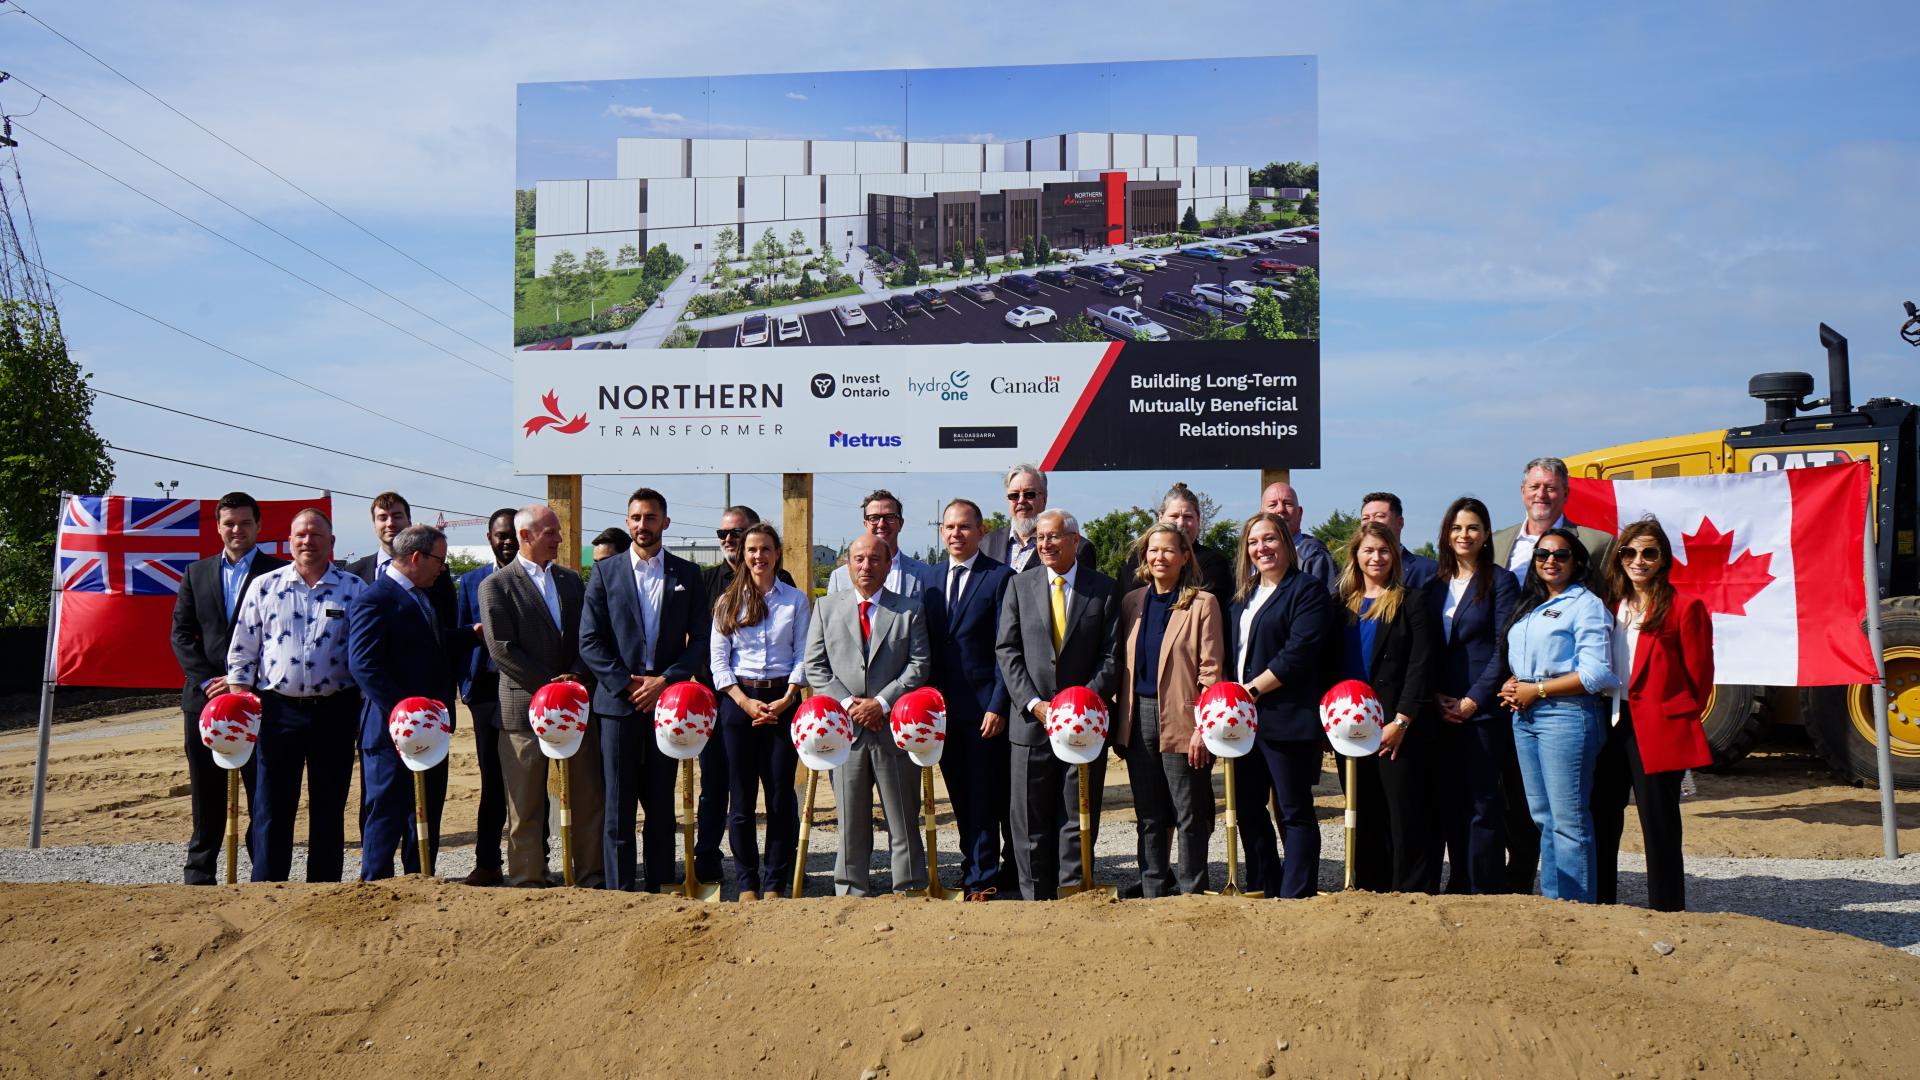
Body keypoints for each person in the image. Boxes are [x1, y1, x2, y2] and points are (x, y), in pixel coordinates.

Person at [579, 488, 711, 892]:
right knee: (617, 805)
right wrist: (624, 683)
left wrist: (665, 681)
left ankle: (658, 889)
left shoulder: (688, 574)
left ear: (665, 523)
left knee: (659, 804)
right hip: (617, 705)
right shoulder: (605, 572)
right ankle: (620, 893)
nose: (642, 525)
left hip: (666, 704)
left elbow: (703, 640)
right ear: (627, 521)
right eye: (635, 517)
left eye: (650, 517)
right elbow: (589, 641)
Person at [1489, 457, 1611, 893]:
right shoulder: (1530, 601)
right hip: (1524, 715)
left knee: (1569, 821)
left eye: (1560, 554)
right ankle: (1555, 903)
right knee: (1542, 818)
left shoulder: (1587, 602)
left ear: (1577, 561)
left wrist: (1536, 689)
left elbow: (1597, 672)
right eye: (1542, 555)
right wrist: (1511, 682)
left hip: (1565, 714)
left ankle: (1575, 908)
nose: (1550, 560)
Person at [225, 508, 364, 882]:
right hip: (276, 712)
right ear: (289, 541)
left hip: (334, 712)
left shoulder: (353, 589)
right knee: (271, 805)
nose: (307, 541)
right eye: (300, 534)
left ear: (331, 542)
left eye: (316, 535)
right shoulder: (264, 587)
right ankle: (268, 886)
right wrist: (238, 699)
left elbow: (366, 653)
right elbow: (242, 651)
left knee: (329, 804)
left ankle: (323, 888)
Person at [994, 509, 1123, 900]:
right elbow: (1007, 649)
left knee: (1077, 813)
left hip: (1084, 725)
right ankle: (1034, 895)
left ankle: (1073, 892)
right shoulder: (1019, 586)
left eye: (1053, 537)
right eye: (1039, 538)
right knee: (1029, 817)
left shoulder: (1103, 589)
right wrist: (1033, 704)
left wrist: (1082, 704)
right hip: (1031, 723)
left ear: (1075, 540)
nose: (1044, 544)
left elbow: (1112, 655)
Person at [478, 503, 604, 889]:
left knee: (587, 798)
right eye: (551, 532)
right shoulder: (496, 586)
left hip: (574, 711)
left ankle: (590, 877)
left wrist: (577, 678)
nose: (560, 539)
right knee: (525, 805)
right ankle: (527, 880)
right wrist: (551, 688)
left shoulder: (569, 581)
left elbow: (588, 636)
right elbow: (501, 649)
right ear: (525, 536)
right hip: (522, 714)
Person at [1593, 519, 1714, 912]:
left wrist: (1672, 716)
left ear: (1663, 559)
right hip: (1610, 721)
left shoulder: (1685, 607)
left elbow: (1700, 677)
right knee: (1603, 817)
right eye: (1629, 552)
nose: (1638, 561)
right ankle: (1602, 901)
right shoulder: (1608, 604)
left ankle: (1667, 907)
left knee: (1658, 821)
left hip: (1657, 726)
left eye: (1649, 553)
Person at [804, 533, 933, 895]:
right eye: (859, 559)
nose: (866, 566)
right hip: (846, 733)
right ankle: (850, 887)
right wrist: (851, 706)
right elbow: (815, 667)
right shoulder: (826, 609)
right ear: (847, 565)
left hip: (893, 728)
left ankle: (909, 885)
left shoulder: (909, 610)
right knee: (850, 818)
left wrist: (882, 703)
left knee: (903, 817)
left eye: (875, 559)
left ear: (889, 565)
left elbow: (919, 665)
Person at [170, 491, 284, 885]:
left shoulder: (279, 574)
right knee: (207, 791)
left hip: (259, 699)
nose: (237, 530)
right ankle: (199, 872)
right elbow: (182, 635)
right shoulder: (195, 574)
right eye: (229, 523)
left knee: (261, 791)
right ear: (218, 527)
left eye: (245, 523)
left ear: (258, 526)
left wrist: (242, 680)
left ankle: (263, 873)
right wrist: (208, 681)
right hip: (204, 700)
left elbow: (283, 638)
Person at [1229, 511, 1339, 899]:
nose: (1262, 548)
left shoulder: (1307, 590)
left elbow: (1299, 652)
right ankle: (1264, 884)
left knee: (1293, 811)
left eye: (1270, 539)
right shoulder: (1243, 595)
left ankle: (1296, 892)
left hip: (1286, 718)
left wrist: (1252, 691)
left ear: (1287, 544)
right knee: (1247, 809)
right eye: (1254, 542)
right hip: (1242, 724)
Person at [1114, 523, 1225, 896]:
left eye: (1168, 551)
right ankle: (1152, 887)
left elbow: (1211, 671)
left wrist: (1202, 728)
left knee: (1189, 811)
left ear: (1184, 557)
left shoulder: (1202, 603)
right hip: (1138, 715)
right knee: (1148, 812)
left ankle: (1192, 889)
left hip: (1184, 717)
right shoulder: (1132, 602)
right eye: (1153, 550)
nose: (1159, 557)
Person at [346, 524, 459, 879]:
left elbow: (429, 646)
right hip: (391, 729)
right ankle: (375, 886)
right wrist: (404, 710)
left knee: (424, 810)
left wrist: (469, 637)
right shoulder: (376, 598)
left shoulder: (424, 595)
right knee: (386, 810)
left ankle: (421, 879)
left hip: (431, 728)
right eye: (439, 560)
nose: (442, 568)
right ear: (416, 557)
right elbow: (363, 664)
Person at [1338, 522, 1441, 893]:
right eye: (1368, 550)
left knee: (1403, 813)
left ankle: (1411, 891)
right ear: (1356, 556)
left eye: (1383, 551)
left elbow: (1420, 664)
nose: (1376, 557)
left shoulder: (1411, 600)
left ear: (1394, 556)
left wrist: (1402, 720)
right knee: (1363, 811)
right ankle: (1370, 886)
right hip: (1351, 724)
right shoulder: (1342, 604)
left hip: (1396, 724)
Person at [708, 523, 809, 900]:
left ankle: (774, 883)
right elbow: (719, 662)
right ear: (742, 554)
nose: (758, 556)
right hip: (739, 704)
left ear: (777, 552)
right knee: (742, 796)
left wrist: (788, 698)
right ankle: (747, 881)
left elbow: (803, 654)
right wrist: (743, 701)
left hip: (784, 701)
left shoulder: (796, 601)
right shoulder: (727, 602)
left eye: (765, 549)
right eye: (752, 549)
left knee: (781, 795)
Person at [1424, 497, 1519, 895]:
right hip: (1439, 709)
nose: (1465, 535)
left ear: (1485, 535)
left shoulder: (1500, 582)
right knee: (1448, 801)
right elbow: (1424, 648)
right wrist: (1435, 697)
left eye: (1473, 528)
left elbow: (1504, 648)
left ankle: (1486, 885)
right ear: (1447, 534)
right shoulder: (1431, 585)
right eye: (1457, 528)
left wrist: (1472, 700)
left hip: (1481, 711)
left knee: (1482, 801)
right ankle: (1459, 878)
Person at [922, 498, 1015, 901]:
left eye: (964, 527)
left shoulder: (1000, 577)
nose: (956, 534)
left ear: (980, 532)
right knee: (958, 793)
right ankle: (970, 865)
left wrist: (998, 704)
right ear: (941, 533)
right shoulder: (930, 579)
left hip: (982, 709)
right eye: (949, 527)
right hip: (941, 711)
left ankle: (984, 876)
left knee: (983, 794)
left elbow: (1005, 648)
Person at [454, 508, 517, 886]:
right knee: (492, 781)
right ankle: (488, 862)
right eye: (500, 535)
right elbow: (460, 636)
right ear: (489, 538)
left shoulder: (534, 579)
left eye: (512, 534)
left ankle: (534, 859)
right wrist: (466, 685)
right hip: (486, 694)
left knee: (530, 779)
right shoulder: (470, 582)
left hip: (526, 692)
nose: (506, 540)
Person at [1117, 482, 1236, 614]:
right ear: (1160, 517)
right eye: (1174, 516)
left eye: (1188, 517)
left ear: (1198, 519)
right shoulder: (1136, 562)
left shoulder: (1214, 563)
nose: (1180, 523)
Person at [983, 464, 1097, 575]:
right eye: (1014, 495)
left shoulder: (1077, 547)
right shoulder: (986, 543)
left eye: (1029, 494)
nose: (1021, 500)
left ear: (1044, 499)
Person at [827, 489, 940, 595]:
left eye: (889, 517)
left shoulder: (925, 574)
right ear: (865, 524)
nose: (881, 524)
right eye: (874, 518)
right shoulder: (840, 577)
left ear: (900, 524)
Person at [1260, 480, 1336, 593]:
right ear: (1261, 515)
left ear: (1299, 513)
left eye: (1288, 504)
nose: (1280, 509)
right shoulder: (1251, 558)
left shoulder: (1314, 556)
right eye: (1272, 505)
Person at [1358, 492, 1439, 590]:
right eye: (1365, 518)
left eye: (1379, 516)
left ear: (1400, 522)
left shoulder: (1428, 570)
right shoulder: (1351, 573)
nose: (1371, 522)